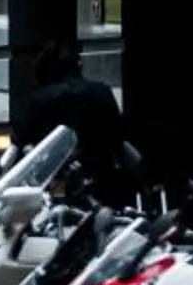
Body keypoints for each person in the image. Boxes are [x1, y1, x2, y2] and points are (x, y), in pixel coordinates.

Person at [15, 38, 129, 186]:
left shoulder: (42, 98)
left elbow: (25, 143)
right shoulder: (102, 92)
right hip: (99, 179)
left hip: (53, 179)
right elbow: (118, 139)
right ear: (79, 64)